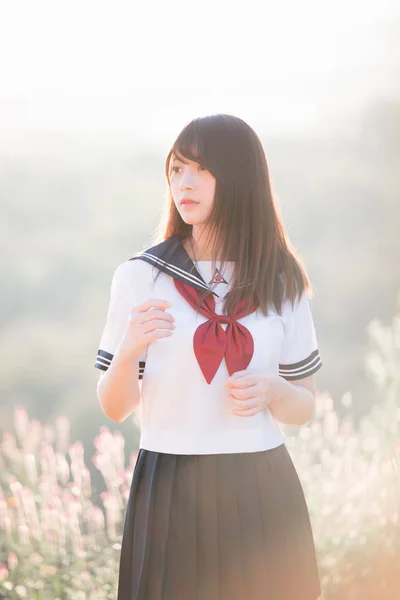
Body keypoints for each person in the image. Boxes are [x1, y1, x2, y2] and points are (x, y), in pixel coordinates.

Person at [94, 114, 323, 600]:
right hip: (169, 488)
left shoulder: (280, 279)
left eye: (201, 168)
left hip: (259, 482)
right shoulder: (140, 277)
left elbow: (304, 406)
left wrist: (276, 390)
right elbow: (114, 407)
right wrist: (131, 345)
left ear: (239, 177)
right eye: (176, 169)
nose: (185, 183)